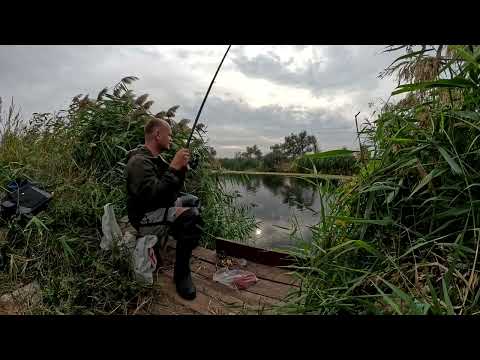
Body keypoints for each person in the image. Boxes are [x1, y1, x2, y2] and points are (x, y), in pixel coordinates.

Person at [126, 117, 203, 300]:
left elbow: (170, 191)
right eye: (169, 135)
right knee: (190, 216)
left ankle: (182, 241)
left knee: (193, 201)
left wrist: (181, 170)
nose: (171, 139)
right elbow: (153, 197)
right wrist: (174, 167)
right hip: (144, 217)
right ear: (157, 134)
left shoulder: (154, 159)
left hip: (157, 208)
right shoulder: (138, 162)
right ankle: (181, 275)